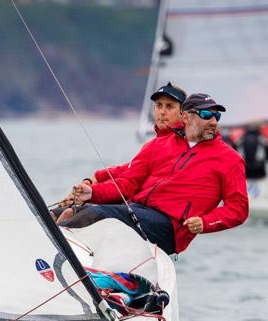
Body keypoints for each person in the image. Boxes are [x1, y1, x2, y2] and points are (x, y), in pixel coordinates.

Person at [60, 93, 249, 255]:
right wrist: (92, 193)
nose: (213, 121)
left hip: (171, 227)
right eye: (206, 115)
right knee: (66, 212)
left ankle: (60, 257)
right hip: (139, 210)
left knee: (95, 215)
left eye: (217, 116)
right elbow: (128, 182)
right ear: (186, 117)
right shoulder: (158, 145)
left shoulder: (229, 158)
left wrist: (205, 222)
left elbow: (239, 209)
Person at [52, 83, 186, 223]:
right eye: (159, 106)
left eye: (169, 106)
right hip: (141, 208)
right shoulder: (156, 144)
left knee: (70, 213)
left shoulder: (183, 142)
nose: (162, 112)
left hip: (159, 218)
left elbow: (128, 183)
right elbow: (130, 168)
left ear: (184, 113)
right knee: (55, 213)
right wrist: (93, 180)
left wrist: (92, 192)